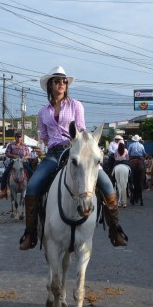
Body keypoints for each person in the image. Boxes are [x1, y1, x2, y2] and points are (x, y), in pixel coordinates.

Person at [18, 66, 127, 251]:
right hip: (53, 153)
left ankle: (115, 230)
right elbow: (43, 135)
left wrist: (75, 145)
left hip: (76, 150)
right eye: (57, 81)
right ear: (50, 86)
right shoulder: (43, 112)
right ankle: (30, 233)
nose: (61, 84)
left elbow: (82, 130)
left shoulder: (76, 105)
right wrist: (53, 142)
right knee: (33, 186)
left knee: (107, 185)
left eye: (64, 81)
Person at [0, 130, 31, 199]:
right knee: (5, 173)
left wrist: (24, 157)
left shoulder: (25, 146)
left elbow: (28, 155)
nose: (19, 139)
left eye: (20, 137)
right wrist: (13, 156)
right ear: (15, 138)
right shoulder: (11, 145)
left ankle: (32, 188)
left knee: (31, 172)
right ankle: (3, 190)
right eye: (18, 137)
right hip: (14, 162)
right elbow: (6, 153)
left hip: (23, 162)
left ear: (21, 138)